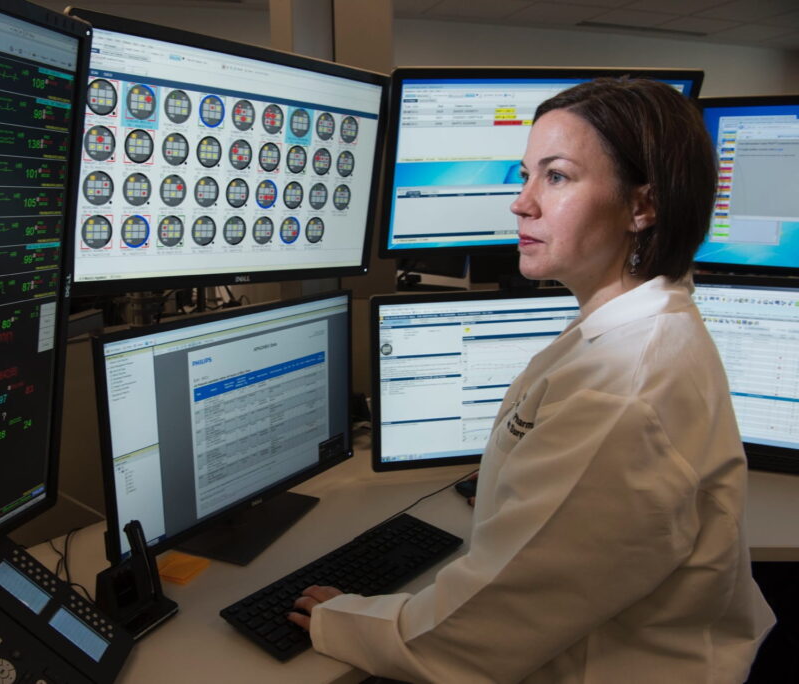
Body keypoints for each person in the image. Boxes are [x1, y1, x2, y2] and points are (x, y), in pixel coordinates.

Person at [287, 78, 776, 683]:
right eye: (525, 176)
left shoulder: (621, 393)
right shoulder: (635, 327)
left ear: (641, 207)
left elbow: (482, 632)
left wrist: (342, 620)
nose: (521, 202)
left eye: (558, 176)